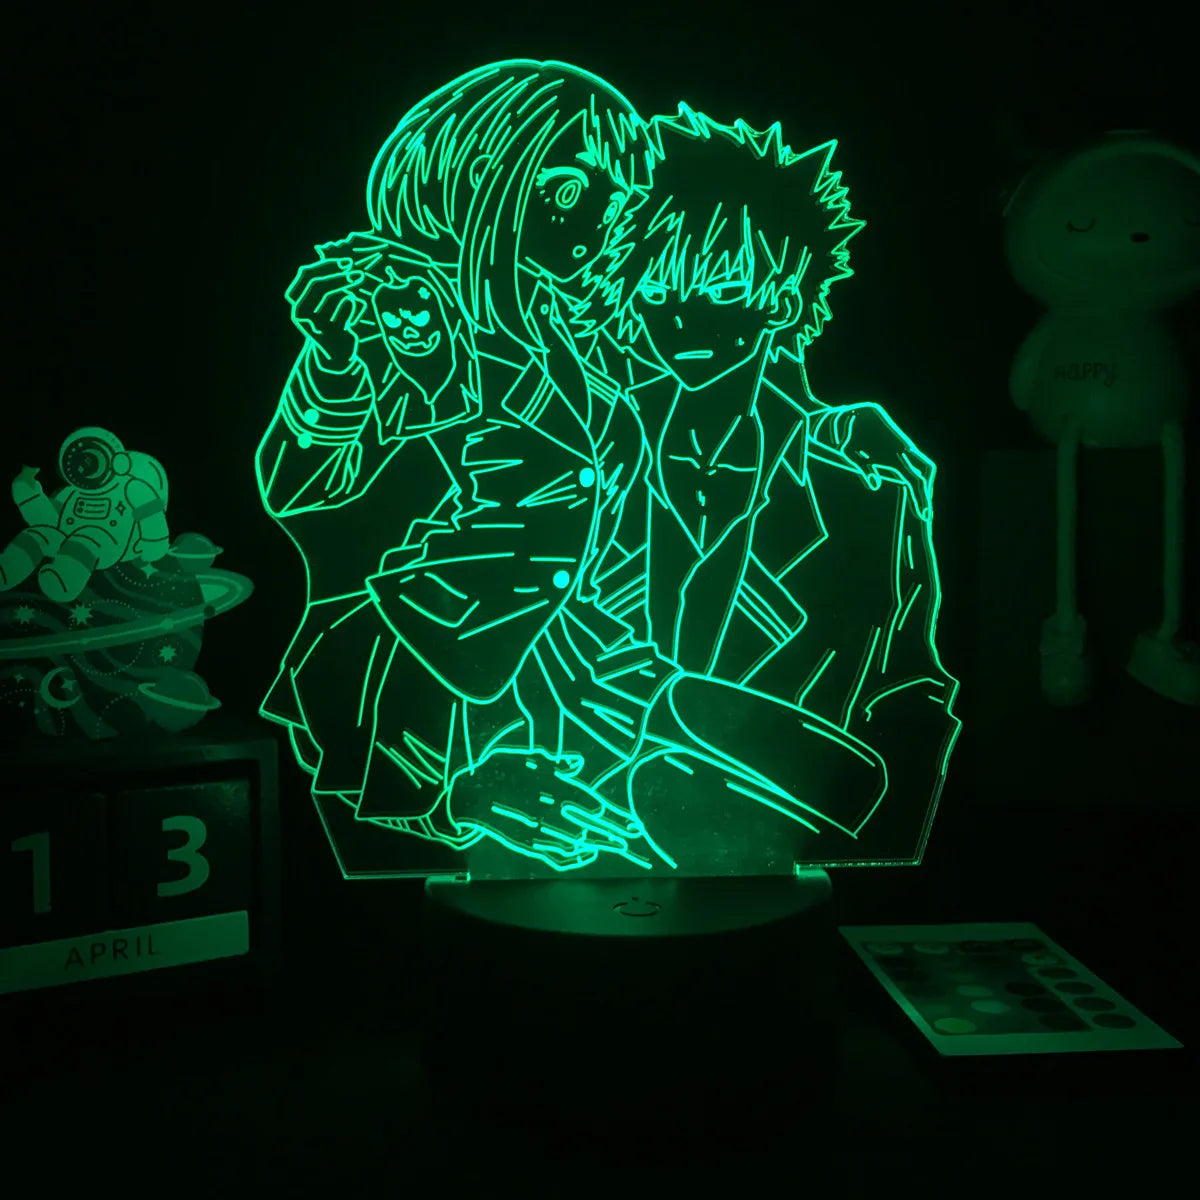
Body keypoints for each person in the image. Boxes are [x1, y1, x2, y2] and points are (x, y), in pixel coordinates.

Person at [590, 105, 961, 868]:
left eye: (722, 292)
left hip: (785, 868)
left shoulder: (867, 495)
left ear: (784, 300)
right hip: (577, 847)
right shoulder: (584, 461)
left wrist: (879, 878)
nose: (684, 323)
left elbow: (910, 697)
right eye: (658, 296)